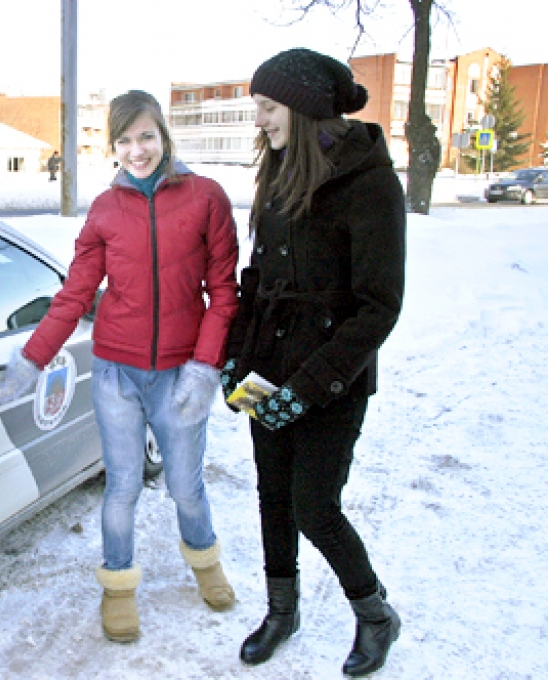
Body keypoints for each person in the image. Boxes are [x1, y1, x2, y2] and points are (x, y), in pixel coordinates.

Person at [0, 90, 240, 643]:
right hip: (116, 374)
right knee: (122, 485)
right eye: (124, 140)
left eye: (146, 136)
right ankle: (119, 586)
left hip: (180, 371)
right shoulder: (105, 210)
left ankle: (205, 562)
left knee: (185, 485)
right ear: (114, 147)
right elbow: (75, 295)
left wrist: (204, 369)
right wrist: (32, 360)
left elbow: (223, 293)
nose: (137, 149)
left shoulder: (206, 199)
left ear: (165, 136)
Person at [220, 48, 405, 677]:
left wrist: (310, 388)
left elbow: (378, 307)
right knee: (273, 495)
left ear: (300, 108)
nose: (260, 121)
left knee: (314, 505)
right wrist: (233, 359)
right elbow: (258, 279)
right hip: (267, 366)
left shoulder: (369, 181)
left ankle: (375, 615)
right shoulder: (279, 167)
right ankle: (282, 610)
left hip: (332, 380)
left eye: (268, 108)